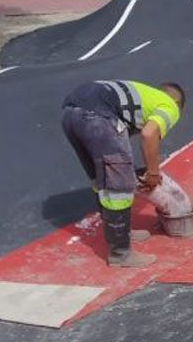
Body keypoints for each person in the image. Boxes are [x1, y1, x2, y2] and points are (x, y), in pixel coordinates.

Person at [61, 80, 185, 267]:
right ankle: (120, 253)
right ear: (177, 103)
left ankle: (122, 233)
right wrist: (153, 173)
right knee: (120, 185)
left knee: (100, 178)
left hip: (70, 114)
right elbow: (149, 134)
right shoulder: (170, 105)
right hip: (97, 117)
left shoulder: (143, 94)